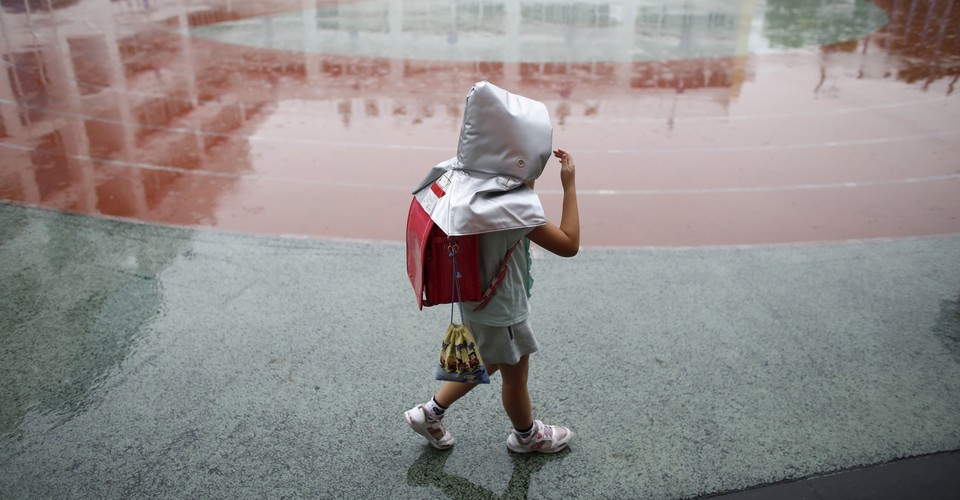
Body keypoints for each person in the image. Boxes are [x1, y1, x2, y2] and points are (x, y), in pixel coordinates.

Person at [405, 144, 580, 454]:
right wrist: (569, 185)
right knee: (515, 379)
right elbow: (569, 244)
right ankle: (527, 437)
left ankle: (429, 413)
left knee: (490, 360)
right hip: (504, 310)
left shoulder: (461, 187)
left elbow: (522, 193)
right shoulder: (513, 210)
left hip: (474, 299)